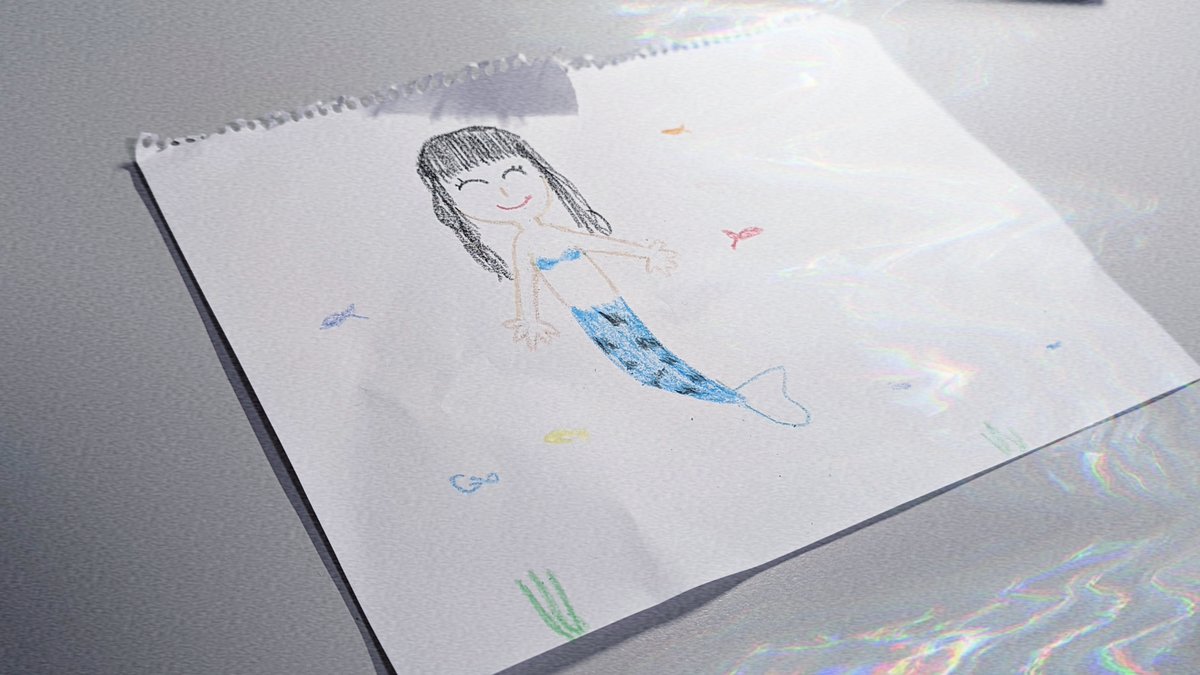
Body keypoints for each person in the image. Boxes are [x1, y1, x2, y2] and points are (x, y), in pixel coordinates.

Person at [416, 125, 810, 427]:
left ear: (540, 171)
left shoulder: (549, 234)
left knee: (652, 362)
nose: (505, 193)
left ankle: (739, 397)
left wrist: (647, 253)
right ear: (450, 203)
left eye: (514, 174)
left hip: (611, 307)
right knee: (643, 368)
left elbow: (599, 244)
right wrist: (530, 320)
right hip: (592, 315)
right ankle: (738, 398)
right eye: (473, 187)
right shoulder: (527, 243)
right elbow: (527, 281)